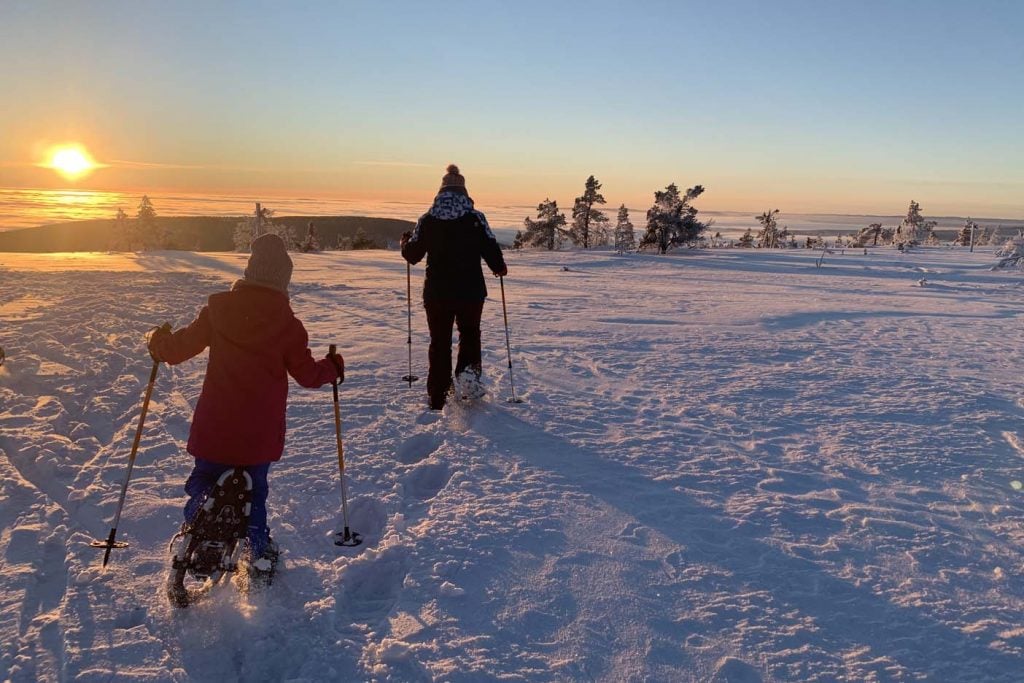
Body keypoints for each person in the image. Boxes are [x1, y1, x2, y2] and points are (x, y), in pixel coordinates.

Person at [147, 233, 344, 577]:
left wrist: (158, 343)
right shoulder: (288, 326)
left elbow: (176, 351)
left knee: (203, 478)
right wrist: (334, 368)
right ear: (284, 280)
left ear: (250, 272)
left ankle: (199, 518)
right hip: (258, 434)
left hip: (215, 425)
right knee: (255, 496)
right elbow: (308, 375)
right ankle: (257, 551)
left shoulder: (217, 312)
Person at [401, 164, 507, 410]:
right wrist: (499, 268)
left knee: (439, 342)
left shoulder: (427, 219)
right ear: (464, 191)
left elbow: (412, 255)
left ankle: (438, 395)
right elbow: (494, 254)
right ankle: (468, 384)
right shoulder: (476, 219)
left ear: (441, 190)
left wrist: (405, 241)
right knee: (470, 335)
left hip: (437, 293)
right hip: (471, 292)